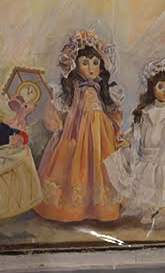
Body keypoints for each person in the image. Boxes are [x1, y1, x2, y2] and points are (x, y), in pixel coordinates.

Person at [34, 30, 124, 222]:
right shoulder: (74, 88)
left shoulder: (100, 88)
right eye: (85, 63)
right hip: (77, 134)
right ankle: (77, 210)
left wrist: (113, 129)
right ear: (75, 66)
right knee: (77, 167)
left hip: (100, 135)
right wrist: (58, 126)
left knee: (98, 168)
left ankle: (97, 208)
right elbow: (57, 109)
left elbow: (111, 112)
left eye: (95, 63)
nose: (91, 68)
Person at [104, 57, 165, 224]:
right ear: (151, 88)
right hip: (147, 157)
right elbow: (137, 131)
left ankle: (164, 211)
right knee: (146, 185)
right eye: (160, 87)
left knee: (164, 186)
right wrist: (127, 139)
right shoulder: (145, 112)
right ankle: (149, 210)